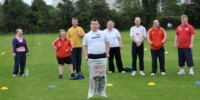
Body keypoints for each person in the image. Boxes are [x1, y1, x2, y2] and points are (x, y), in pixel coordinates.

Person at [83, 19, 110, 98]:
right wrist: (85, 55)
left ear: (98, 25)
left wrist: (107, 52)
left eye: (96, 24)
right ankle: (91, 93)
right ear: (90, 25)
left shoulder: (103, 33)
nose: (94, 25)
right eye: (93, 24)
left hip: (102, 57)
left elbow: (108, 43)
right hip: (92, 57)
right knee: (93, 77)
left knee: (102, 76)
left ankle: (101, 92)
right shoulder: (87, 35)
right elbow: (84, 46)